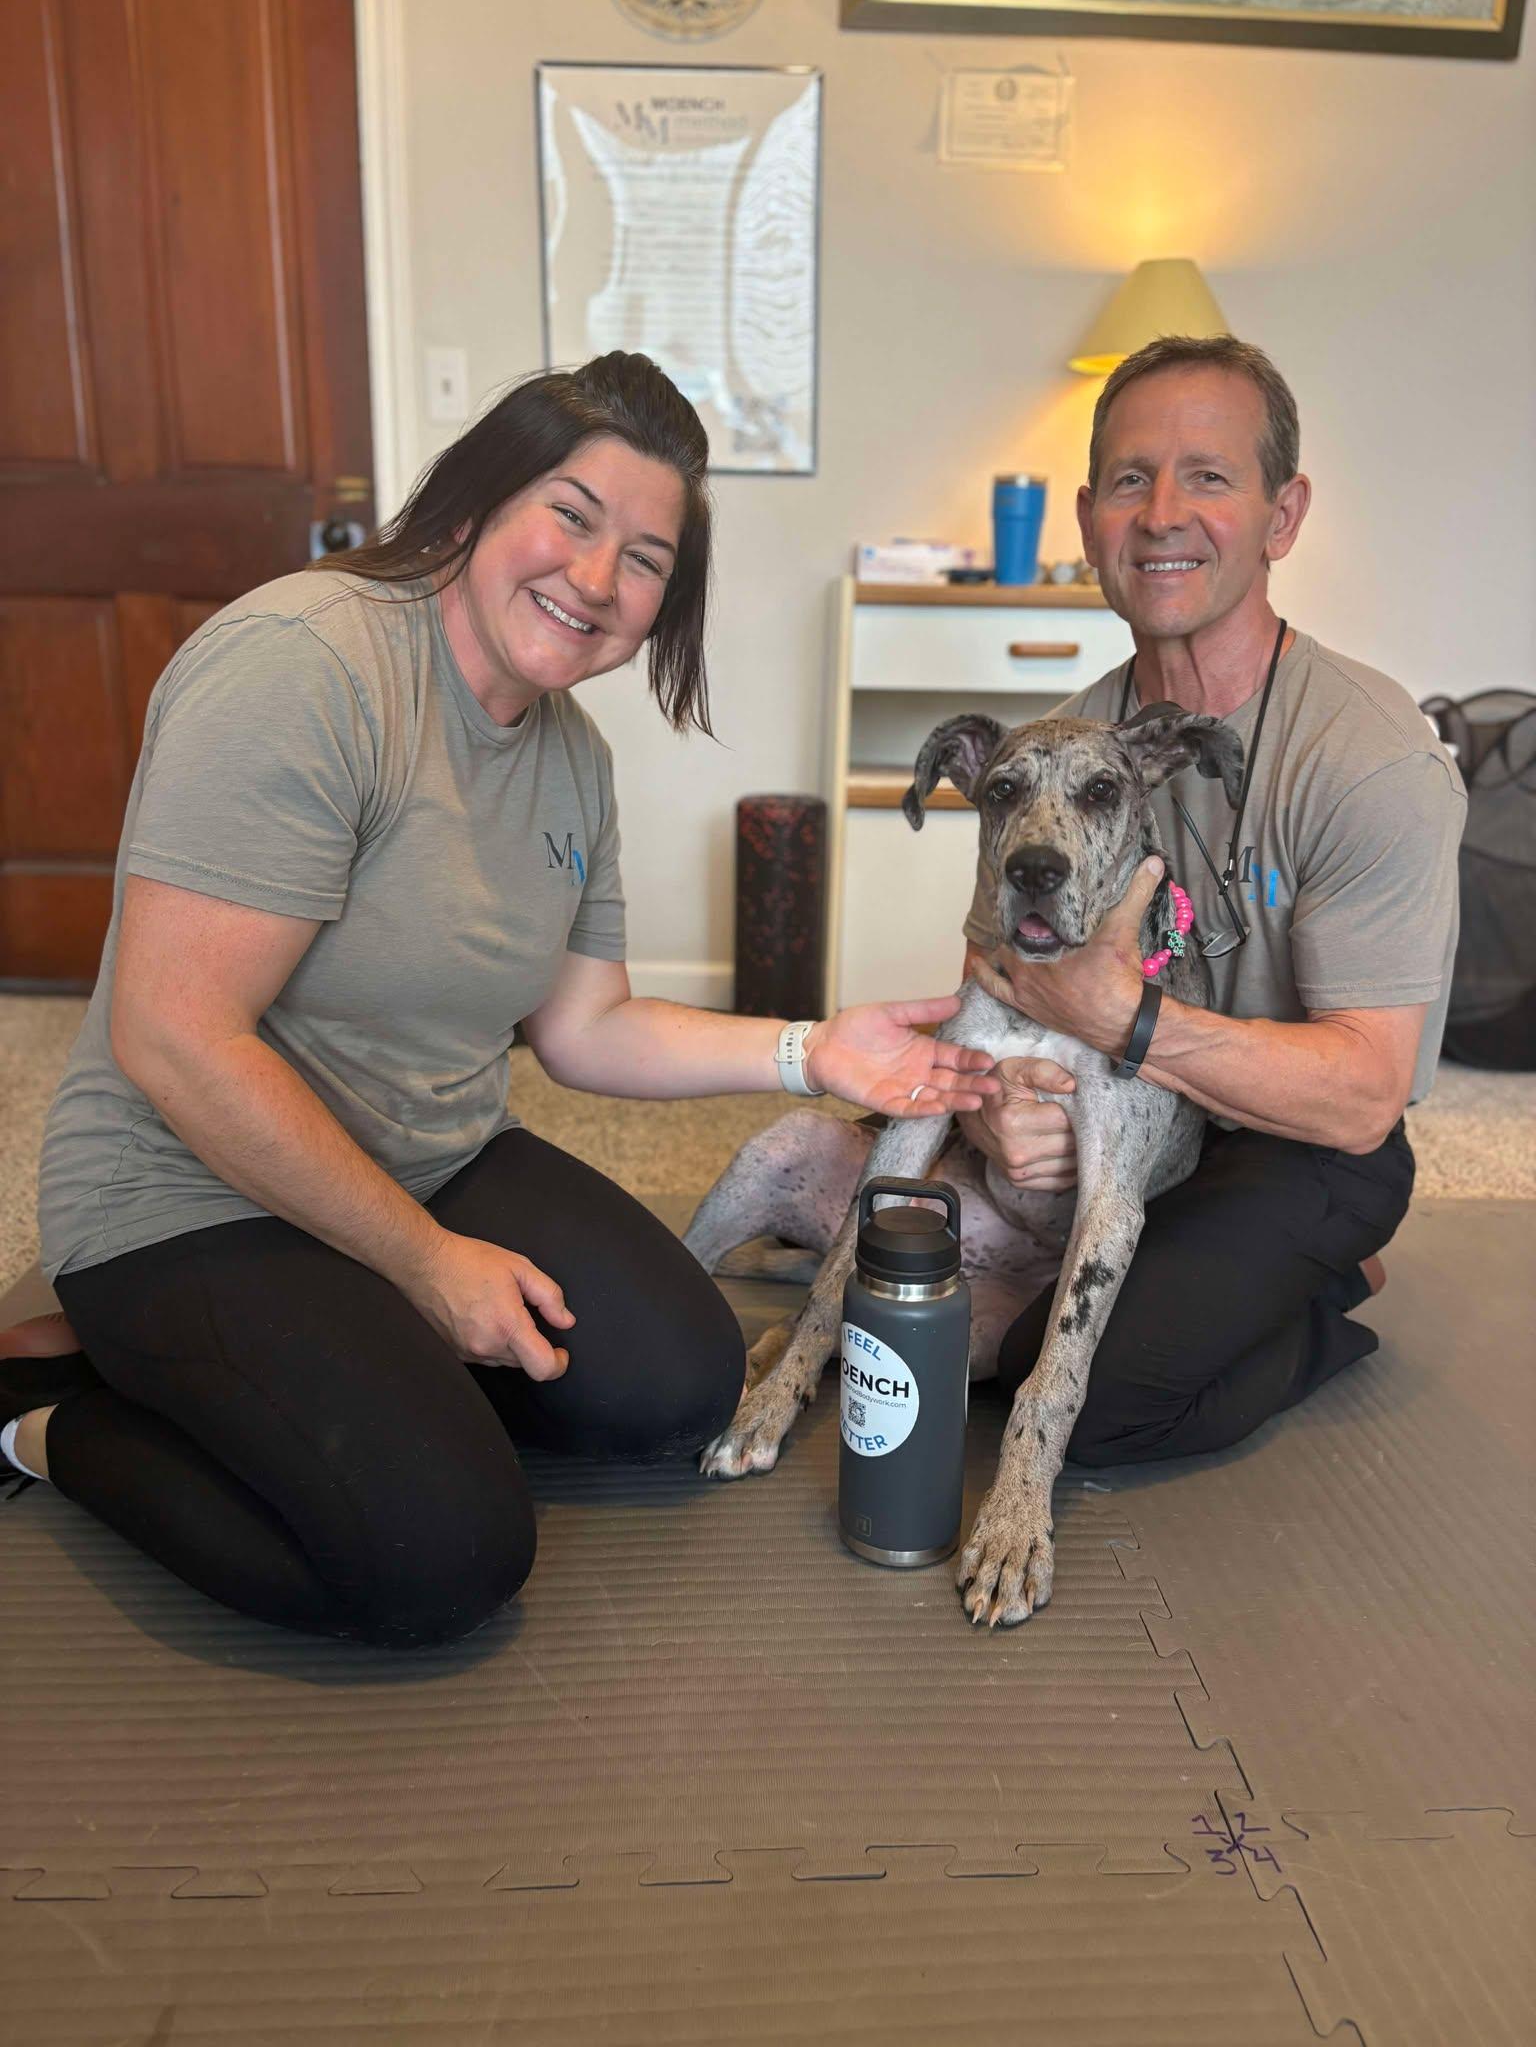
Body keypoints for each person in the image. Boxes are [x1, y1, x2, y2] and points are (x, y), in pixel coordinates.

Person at [0, 351, 996, 1648]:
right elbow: (174, 1038)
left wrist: (816, 1050)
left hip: (430, 1157)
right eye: (571, 515)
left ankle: (308, 1367)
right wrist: (423, 1266)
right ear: (474, 500)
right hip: (189, 1190)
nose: (596, 577)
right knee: (439, 1553)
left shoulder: (572, 759)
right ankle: (52, 1422)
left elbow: (586, 1029)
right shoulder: (304, 667)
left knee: (679, 1383)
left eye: (645, 558)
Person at [956, 334, 1464, 1464]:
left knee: (1085, 1400)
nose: (1161, 515)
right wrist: (991, 1106)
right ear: (1089, 518)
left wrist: (1124, 1019)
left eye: (1210, 477)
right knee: (944, 1313)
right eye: (1130, 480)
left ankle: (1320, 1298)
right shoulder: (1066, 744)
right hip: (1126, 1123)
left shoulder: (1369, 758)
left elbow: (1364, 1098)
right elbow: (994, 965)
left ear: (1283, 517)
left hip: (1301, 1142)